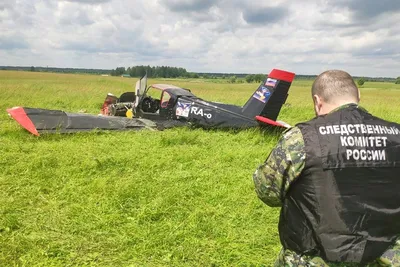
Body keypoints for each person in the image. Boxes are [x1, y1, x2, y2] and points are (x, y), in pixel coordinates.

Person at [253, 70, 400, 266]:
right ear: (358, 97)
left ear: (317, 101)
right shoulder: (396, 134)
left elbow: (267, 192)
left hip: (313, 257)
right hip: (384, 257)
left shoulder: (302, 137)